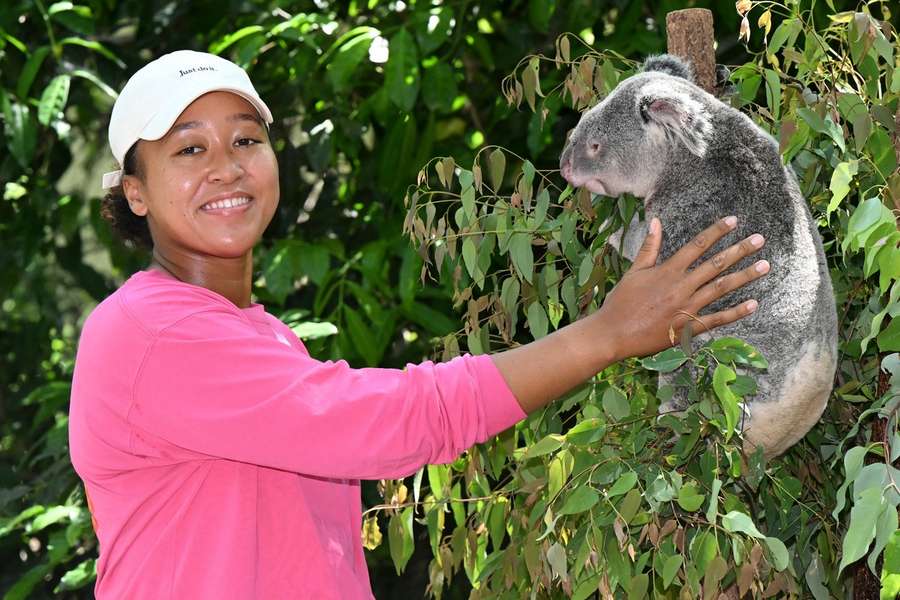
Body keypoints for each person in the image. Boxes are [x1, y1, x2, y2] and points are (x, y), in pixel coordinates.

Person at [68, 50, 768, 599]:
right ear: (135, 191)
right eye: (189, 150)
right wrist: (608, 333)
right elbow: (384, 422)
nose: (226, 168)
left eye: (245, 139)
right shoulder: (149, 333)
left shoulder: (258, 336)